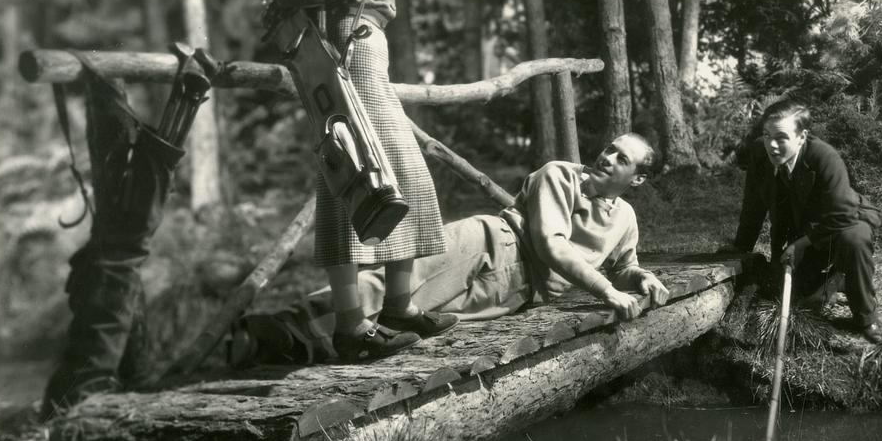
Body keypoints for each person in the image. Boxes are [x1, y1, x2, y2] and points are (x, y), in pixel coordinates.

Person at [233, 134, 671, 365]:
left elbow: (624, 265)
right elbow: (553, 247)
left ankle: (292, 348)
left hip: (515, 294)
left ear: (637, 179)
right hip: (492, 246)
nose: (608, 157)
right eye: (611, 148)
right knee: (391, 291)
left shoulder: (625, 218)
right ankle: (269, 331)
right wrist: (607, 292)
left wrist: (641, 278)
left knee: (406, 322)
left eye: (622, 159)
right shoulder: (560, 175)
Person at [274, 0, 455, 362]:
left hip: (371, 54)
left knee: (406, 179)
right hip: (345, 59)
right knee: (353, 178)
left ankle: (399, 308)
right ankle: (352, 328)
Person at [732, 98, 882, 344]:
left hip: (842, 222)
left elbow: (842, 214)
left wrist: (802, 244)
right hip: (801, 232)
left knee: (854, 239)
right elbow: (753, 206)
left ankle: (866, 317)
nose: (772, 145)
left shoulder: (824, 156)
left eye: (781, 137)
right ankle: (837, 280)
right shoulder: (760, 154)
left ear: (801, 137)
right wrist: (740, 250)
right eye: (766, 134)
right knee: (794, 298)